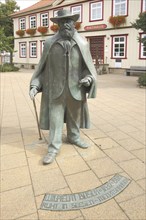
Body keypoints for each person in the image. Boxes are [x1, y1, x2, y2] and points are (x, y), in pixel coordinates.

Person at [29, 9, 97, 164]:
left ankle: (74, 137)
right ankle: (53, 148)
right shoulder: (49, 44)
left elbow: (87, 67)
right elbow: (42, 69)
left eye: (69, 21)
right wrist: (35, 85)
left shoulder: (83, 44)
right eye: (63, 22)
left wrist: (88, 78)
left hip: (76, 88)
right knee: (55, 120)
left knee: (74, 118)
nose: (66, 24)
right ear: (58, 24)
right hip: (55, 90)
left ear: (74, 23)